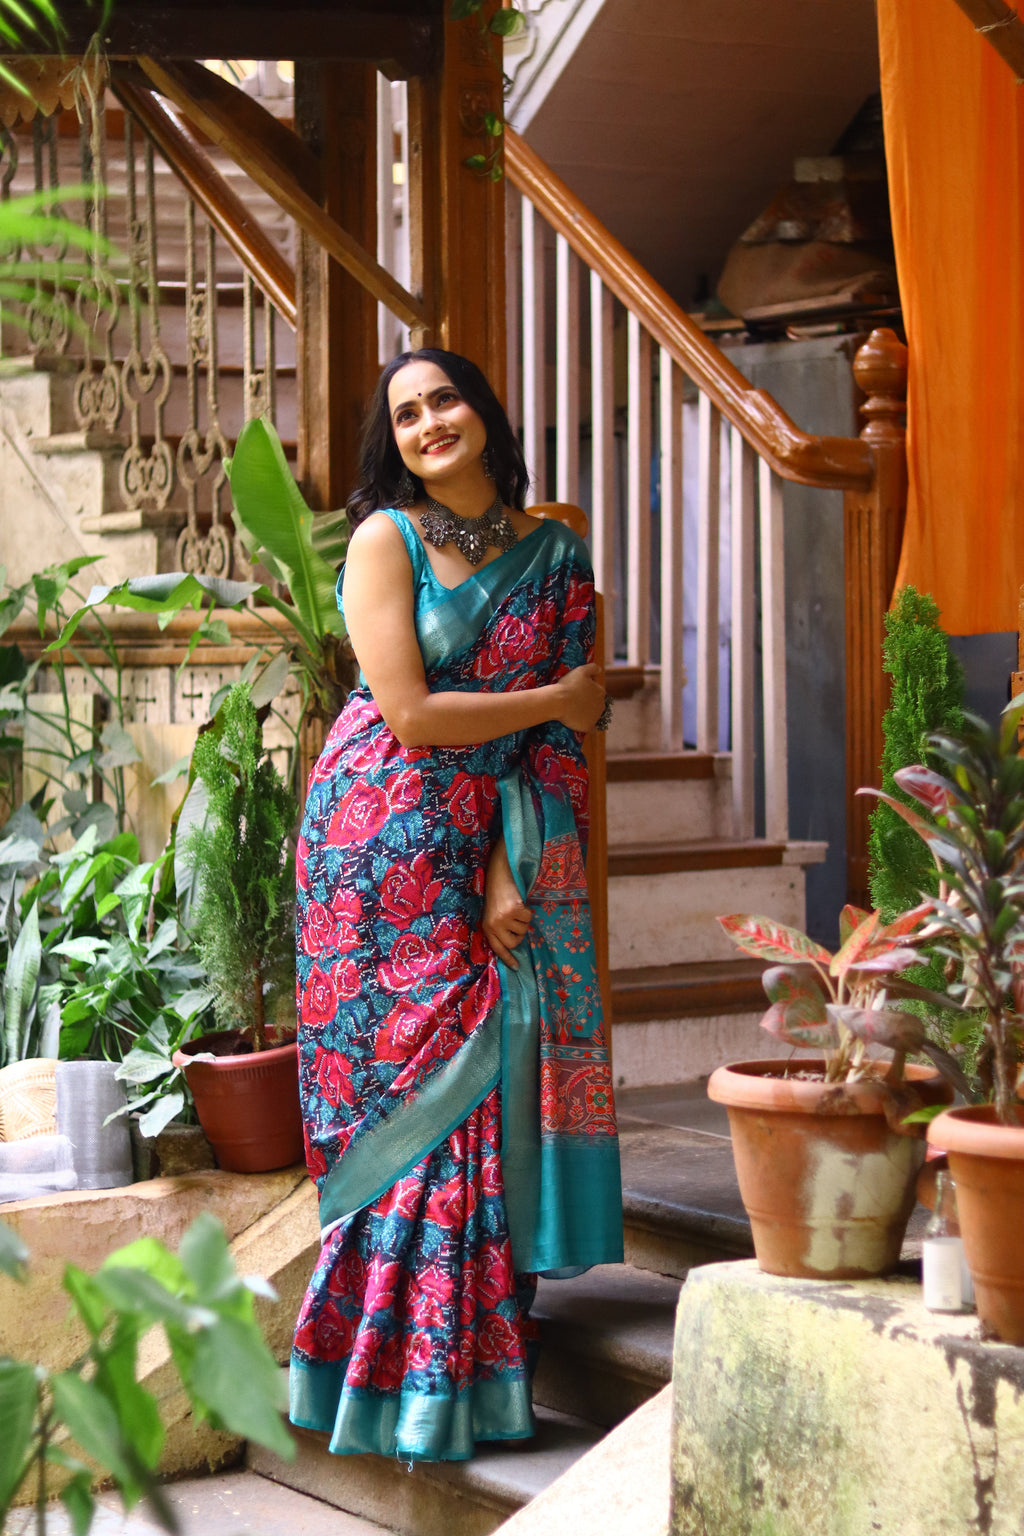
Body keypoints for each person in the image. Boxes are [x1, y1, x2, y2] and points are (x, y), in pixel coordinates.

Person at [290, 348, 623, 1463]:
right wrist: (562, 697)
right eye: (407, 412)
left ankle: (470, 1352)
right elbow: (412, 713)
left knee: (491, 1062)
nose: (431, 421)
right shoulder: (386, 537)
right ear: (396, 440)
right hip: (374, 843)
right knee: (406, 1090)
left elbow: (553, 747)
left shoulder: (555, 551)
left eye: (446, 398)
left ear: (482, 411)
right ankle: (394, 1374)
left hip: (489, 836)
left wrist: (499, 869)